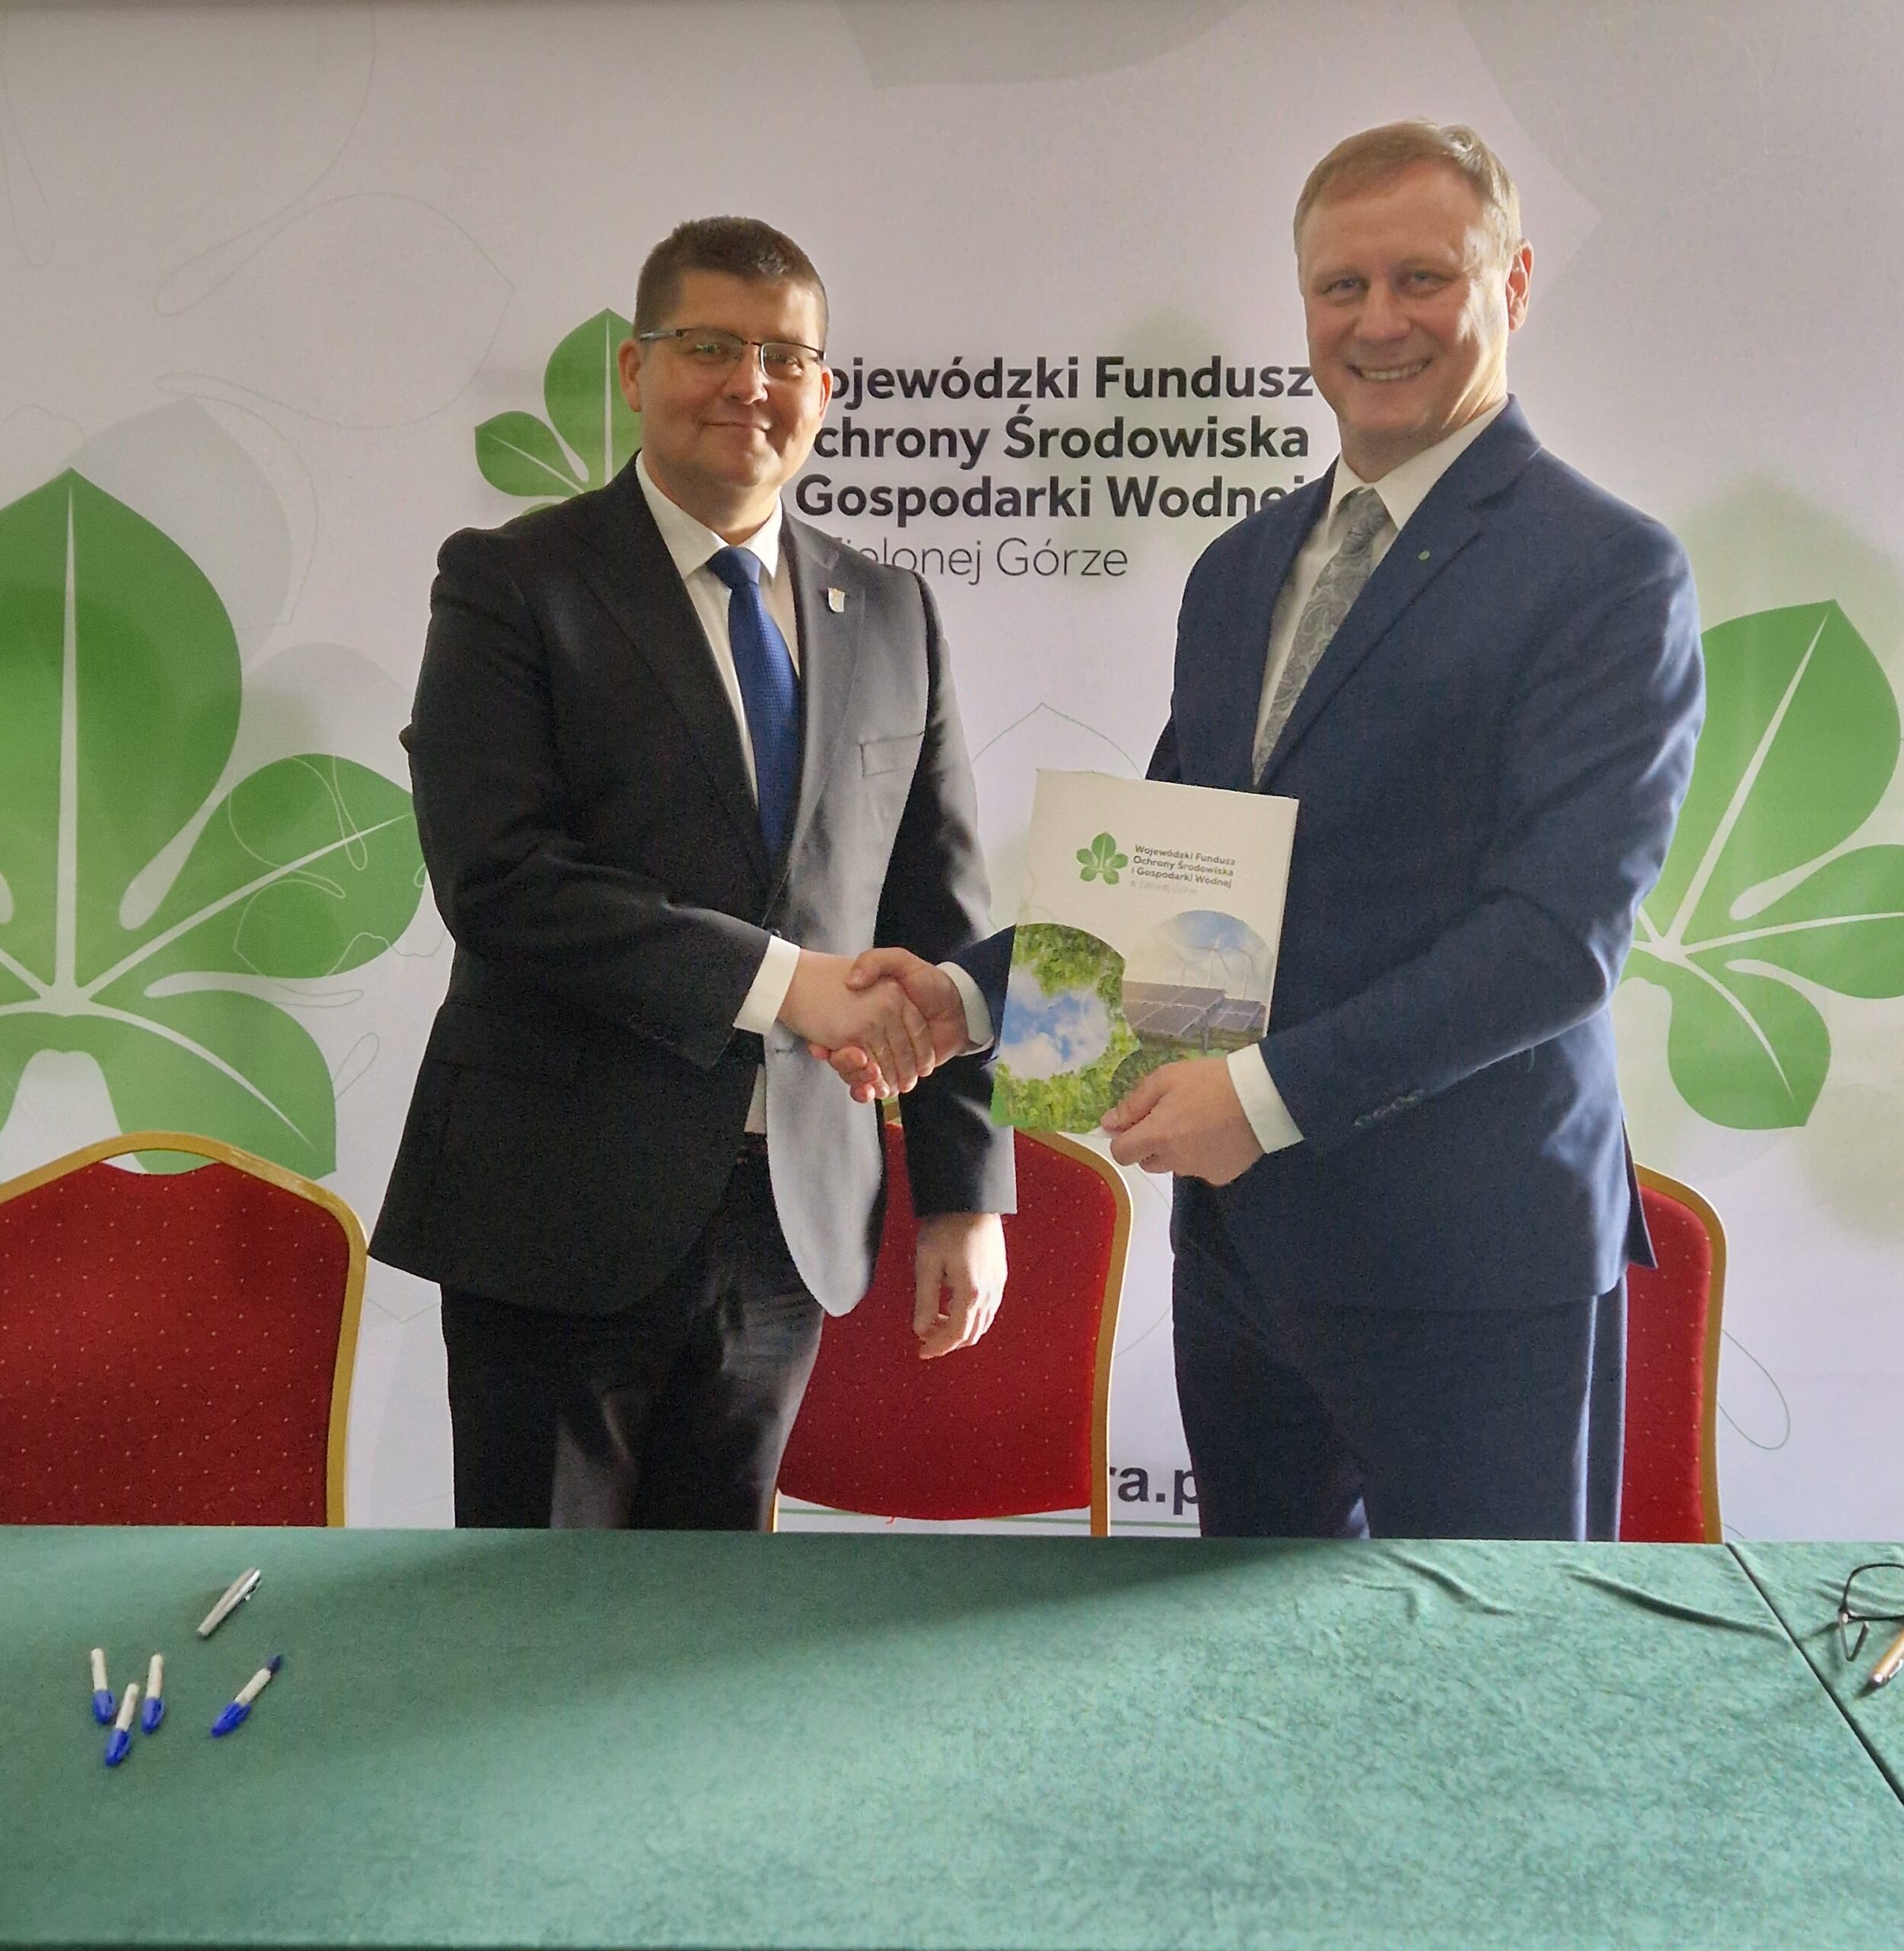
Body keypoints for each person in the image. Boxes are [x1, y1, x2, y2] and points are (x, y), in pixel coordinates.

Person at [822, 123, 1704, 1542]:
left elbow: (1555, 944)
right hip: (1240, 1262)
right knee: (1249, 1660)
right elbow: (1167, 874)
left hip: (1469, 1274)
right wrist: (963, 997)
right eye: (1339, 286)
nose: (1377, 321)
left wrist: (1264, 1097)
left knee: (1475, 1665)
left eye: (1422, 278)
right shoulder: (1240, 569)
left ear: (1512, 283)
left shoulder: (1606, 570)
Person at [372, 216, 1013, 1530]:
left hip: (792, 1219)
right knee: (541, 1618)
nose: (749, 385)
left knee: (715, 1616)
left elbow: (943, 914)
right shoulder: (510, 583)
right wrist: (785, 985)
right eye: (709, 346)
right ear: (633, 368)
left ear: (824, 387)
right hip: (556, 1208)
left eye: (785, 357)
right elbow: (500, 880)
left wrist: (963, 1196)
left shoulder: (894, 613)